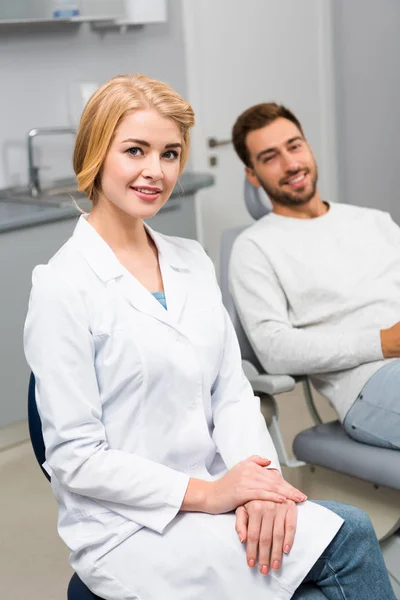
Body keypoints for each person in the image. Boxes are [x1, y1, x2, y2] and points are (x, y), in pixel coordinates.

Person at [23, 75, 396, 600]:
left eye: (170, 153)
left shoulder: (191, 262)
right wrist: (213, 493)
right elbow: (76, 460)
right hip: (131, 528)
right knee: (351, 535)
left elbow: (231, 392)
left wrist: (257, 487)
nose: (156, 171)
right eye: (135, 151)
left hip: (221, 493)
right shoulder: (62, 287)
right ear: (95, 155)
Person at [229, 102, 400, 451]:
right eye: (270, 156)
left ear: (308, 146)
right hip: (370, 383)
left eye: (294, 146)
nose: (291, 164)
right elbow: (275, 349)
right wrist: (382, 342)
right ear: (252, 174)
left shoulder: (373, 222)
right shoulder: (255, 247)